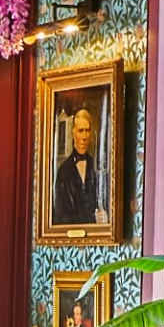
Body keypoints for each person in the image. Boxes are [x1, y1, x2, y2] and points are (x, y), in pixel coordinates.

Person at [49, 97, 107, 230]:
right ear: (73, 132)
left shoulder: (97, 166)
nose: (84, 136)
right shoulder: (63, 170)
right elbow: (60, 215)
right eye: (81, 131)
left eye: (87, 130)